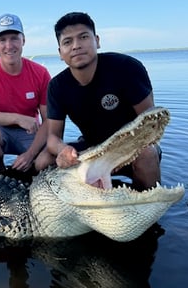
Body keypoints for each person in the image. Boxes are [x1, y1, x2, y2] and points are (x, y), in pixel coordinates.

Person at [46, 12, 161, 190]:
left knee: (147, 153)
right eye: (67, 42)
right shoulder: (57, 86)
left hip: (133, 145)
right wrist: (63, 150)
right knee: (43, 160)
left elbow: (151, 126)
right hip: (93, 147)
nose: (76, 46)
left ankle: (150, 211)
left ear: (97, 41)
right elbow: (52, 137)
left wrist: (117, 153)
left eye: (83, 37)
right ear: (60, 52)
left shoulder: (127, 68)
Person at [0, 13, 54, 178]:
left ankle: (30, 173)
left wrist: (30, 155)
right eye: (2, 40)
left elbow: (49, 120)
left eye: (14, 38)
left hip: (30, 133)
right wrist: (17, 118)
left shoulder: (40, 73)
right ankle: (3, 174)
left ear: (23, 41)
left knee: (51, 157)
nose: (9, 45)